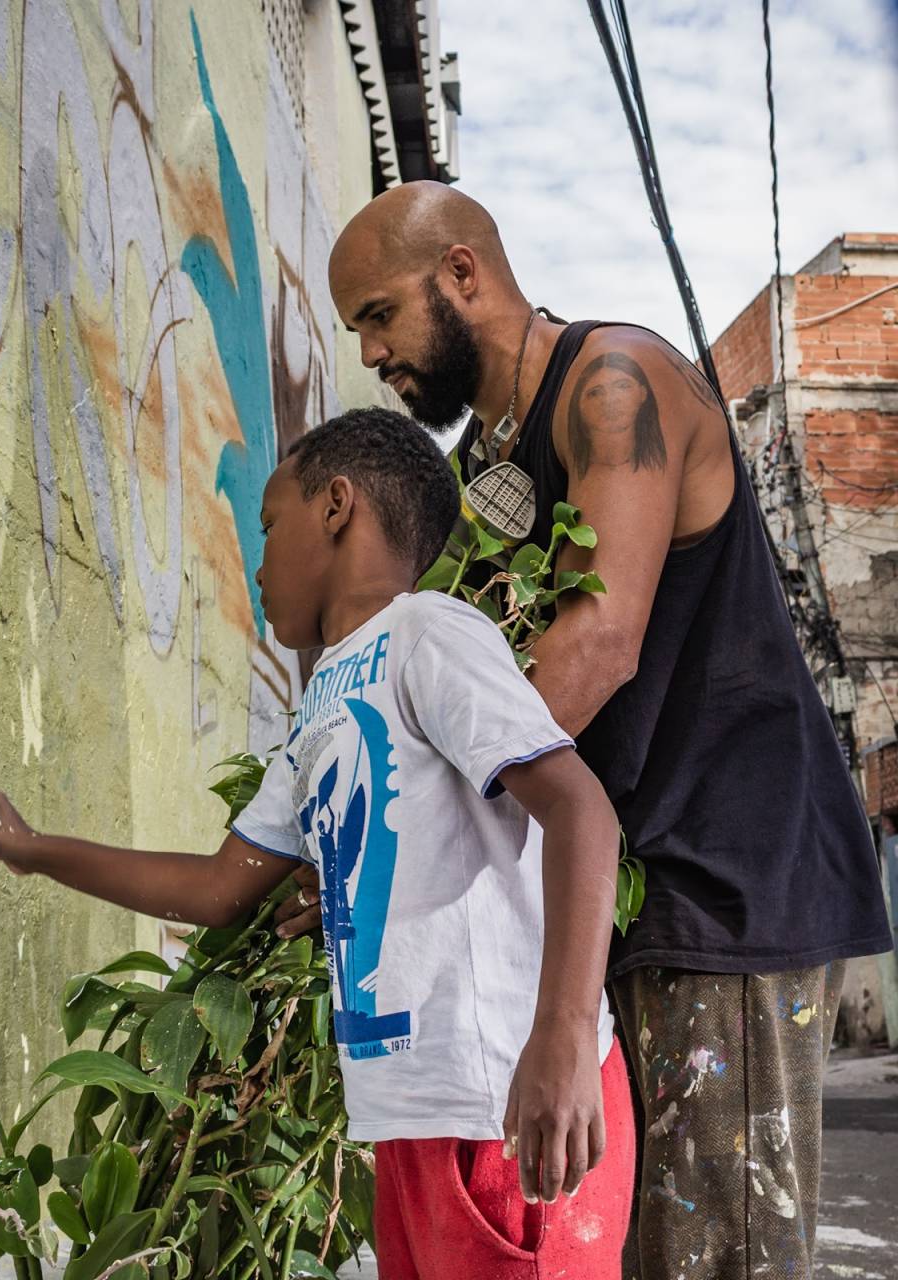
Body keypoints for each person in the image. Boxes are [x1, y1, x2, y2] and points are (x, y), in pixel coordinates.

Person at [271, 182, 894, 1280]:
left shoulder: (616, 382)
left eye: (379, 314)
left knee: (720, 1258)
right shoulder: (476, 478)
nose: (369, 351)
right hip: (606, 898)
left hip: (725, 883)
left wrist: (394, 841)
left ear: (461, 273)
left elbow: (594, 646)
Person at [0, 408, 635, 1280]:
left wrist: (566, 1039)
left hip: (506, 1114)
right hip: (409, 1125)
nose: (258, 562)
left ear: (337, 507)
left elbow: (584, 814)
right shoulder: (322, 702)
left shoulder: (428, 634)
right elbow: (217, 887)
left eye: (268, 526)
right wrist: (29, 846)